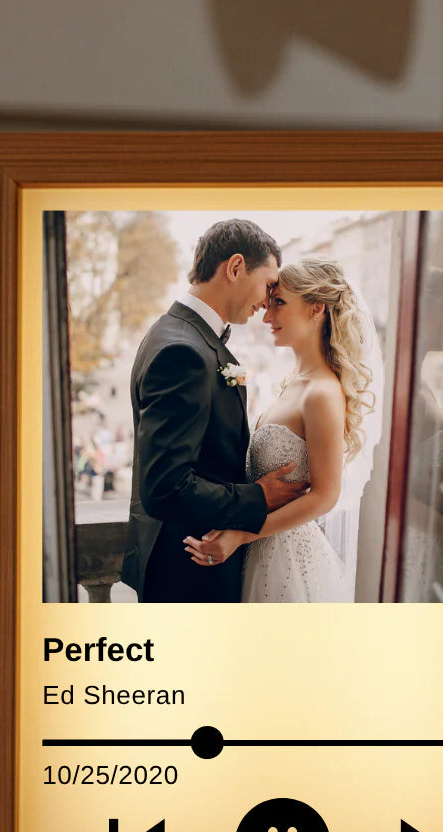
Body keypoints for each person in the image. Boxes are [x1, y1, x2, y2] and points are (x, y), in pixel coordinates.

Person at [121, 220, 309, 603]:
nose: (267, 301)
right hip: (188, 572)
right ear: (236, 267)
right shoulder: (183, 352)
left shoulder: (176, 332)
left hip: (184, 563)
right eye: (268, 284)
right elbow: (165, 487)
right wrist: (257, 496)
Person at [184, 257, 379, 602]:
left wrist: (243, 535)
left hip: (287, 559)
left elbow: (325, 495)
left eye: (279, 303)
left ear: (316, 308)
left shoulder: (321, 393)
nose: (267, 316)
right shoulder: (293, 382)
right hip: (261, 551)